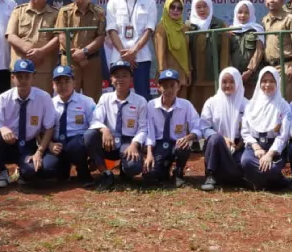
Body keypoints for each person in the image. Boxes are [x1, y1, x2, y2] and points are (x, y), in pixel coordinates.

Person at [0, 58, 57, 188]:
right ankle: (3, 171)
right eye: (19, 76)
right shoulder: (4, 98)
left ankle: (23, 172)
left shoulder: (44, 97)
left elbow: (49, 128)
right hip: (9, 144)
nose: (23, 80)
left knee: (34, 170)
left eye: (27, 76)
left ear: (33, 77)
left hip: (29, 144)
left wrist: (39, 152)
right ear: (13, 77)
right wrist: (2, 129)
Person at [85, 61, 149, 190]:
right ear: (111, 79)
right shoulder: (105, 98)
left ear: (131, 78)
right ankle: (105, 173)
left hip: (127, 141)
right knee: (89, 135)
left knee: (133, 167)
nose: (120, 79)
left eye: (124, 75)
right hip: (109, 141)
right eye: (116, 76)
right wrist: (104, 129)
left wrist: (134, 144)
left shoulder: (140, 101)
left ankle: (125, 171)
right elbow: (95, 120)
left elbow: (143, 128)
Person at [105, 0, 158, 101]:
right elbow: (111, 29)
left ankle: (143, 123)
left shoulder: (149, 2)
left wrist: (133, 52)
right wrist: (125, 53)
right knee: (119, 94)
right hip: (119, 56)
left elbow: (149, 29)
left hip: (141, 57)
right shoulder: (113, 2)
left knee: (142, 95)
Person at [144, 69, 201, 187]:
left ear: (178, 87)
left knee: (183, 147)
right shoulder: (151, 105)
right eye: (164, 86)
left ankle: (178, 172)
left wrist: (189, 137)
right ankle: (164, 168)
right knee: (151, 176)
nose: (169, 90)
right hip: (159, 144)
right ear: (159, 87)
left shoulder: (186, 105)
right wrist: (149, 153)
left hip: (177, 143)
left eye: (172, 86)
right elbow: (150, 132)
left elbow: (197, 127)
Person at [54, 0, 107, 102]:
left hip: (91, 60)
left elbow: (101, 37)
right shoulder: (65, 11)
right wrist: (76, 54)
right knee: (68, 96)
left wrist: (84, 52)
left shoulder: (99, 12)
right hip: (70, 61)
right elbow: (61, 35)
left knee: (93, 98)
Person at [240, 66, 292, 190]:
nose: (267, 85)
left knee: (272, 168)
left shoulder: (284, 106)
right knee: (246, 162)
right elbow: (245, 130)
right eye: (264, 81)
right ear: (259, 82)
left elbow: (283, 136)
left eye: (271, 81)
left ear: (277, 83)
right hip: (255, 147)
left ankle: (263, 182)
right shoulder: (250, 105)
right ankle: (276, 182)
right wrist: (256, 147)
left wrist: (269, 154)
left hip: (273, 148)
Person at [5, 0, 60, 94]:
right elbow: (10, 35)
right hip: (21, 67)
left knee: (43, 103)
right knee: (18, 103)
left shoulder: (56, 14)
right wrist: (30, 50)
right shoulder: (18, 11)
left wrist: (41, 52)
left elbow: (59, 37)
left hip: (44, 68)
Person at [200, 66, 247, 191]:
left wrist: (240, 144)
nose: (228, 85)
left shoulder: (246, 104)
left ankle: (228, 176)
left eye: (232, 82)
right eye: (224, 82)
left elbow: (251, 128)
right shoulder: (211, 103)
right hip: (217, 146)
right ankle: (211, 175)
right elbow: (204, 127)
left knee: (244, 162)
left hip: (239, 146)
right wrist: (222, 138)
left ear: (238, 82)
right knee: (215, 139)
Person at [46, 65, 95, 182]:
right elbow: (43, 130)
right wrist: (50, 145)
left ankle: (83, 172)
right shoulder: (49, 104)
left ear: (74, 82)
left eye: (66, 81)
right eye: (58, 82)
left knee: (76, 145)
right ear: (53, 85)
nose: (63, 86)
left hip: (78, 144)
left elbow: (95, 124)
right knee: (47, 169)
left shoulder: (86, 101)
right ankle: (63, 171)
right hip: (58, 145)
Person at [186, 0, 231, 110]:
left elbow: (224, 51)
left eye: (205, 6)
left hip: (212, 77)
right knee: (194, 108)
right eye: (198, 7)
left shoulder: (219, 25)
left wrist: (223, 73)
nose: (202, 10)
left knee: (213, 109)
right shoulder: (188, 26)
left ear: (210, 7)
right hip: (194, 77)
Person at [262, 0, 292, 97]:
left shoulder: (291, 19)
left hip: (285, 68)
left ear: (282, 1)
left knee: (286, 103)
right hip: (269, 68)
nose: (271, 0)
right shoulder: (264, 20)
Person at [154, 0, 193, 98]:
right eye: (172, 7)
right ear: (166, 9)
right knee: (166, 106)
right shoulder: (161, 28)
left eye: (179, 8)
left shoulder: (184, 28)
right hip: (168, 76)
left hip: (182, 75)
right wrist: (163, 75)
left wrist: (189, 71)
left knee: (181, 106)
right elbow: (160, 54)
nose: (176, 10)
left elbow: (187, 51)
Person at [229, 0, 265, 95]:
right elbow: (226, 53)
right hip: (234, 75)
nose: (243, 15)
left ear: (252, 13)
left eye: (246, 12)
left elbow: (259, 50)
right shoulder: (229, 30)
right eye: (240, 12)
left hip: (252, 76)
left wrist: (250, 71)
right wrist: (232, 72)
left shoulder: (257, 29)